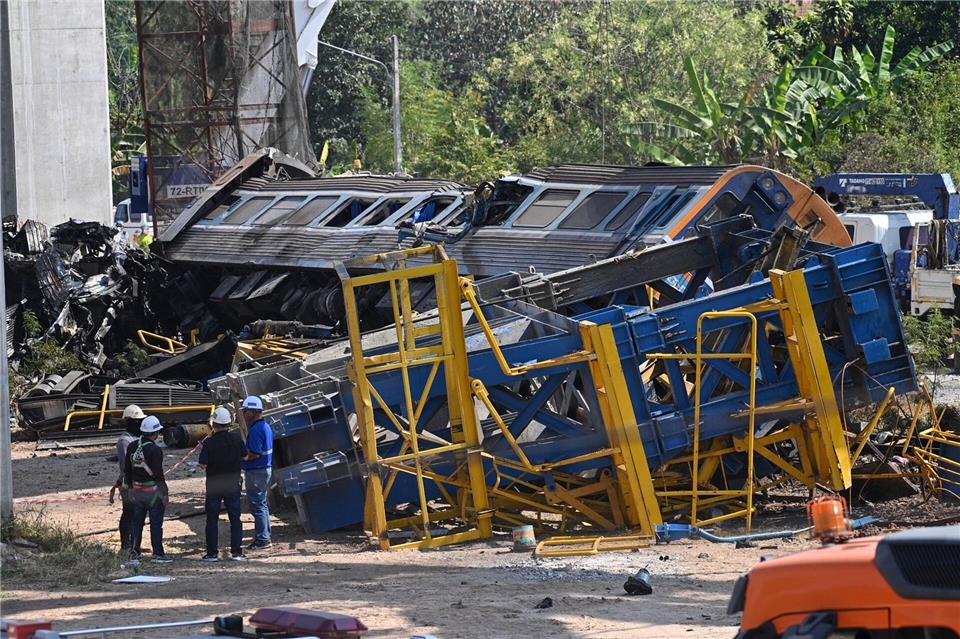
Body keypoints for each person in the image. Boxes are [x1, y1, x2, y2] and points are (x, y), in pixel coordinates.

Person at [199, 407, 248, 562]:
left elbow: (203, 464)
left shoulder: (209, 443)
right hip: (232, 483)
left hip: (214, 484)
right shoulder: (236, 439)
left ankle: (212, 553)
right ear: (229, 423)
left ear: (213, 423)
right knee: (235, 518)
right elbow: (245, 457)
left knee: (212, 519)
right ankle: (237, 552)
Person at [124, 415, 172, 563]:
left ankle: (134, 552)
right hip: (153, 493)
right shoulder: (155, 450)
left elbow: (127, 470)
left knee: (136, 524)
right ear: (155, 433)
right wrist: (165, 493)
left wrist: (129, 488)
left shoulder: (132, 446)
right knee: (156, 524)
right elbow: (158, 475)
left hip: (137, 492)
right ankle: (158, 554)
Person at [110, 405, 144, 557]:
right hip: (129, 483)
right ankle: (126, 545)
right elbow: (126, 465)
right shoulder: (125, 441)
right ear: (130, 422)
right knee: (129, 513)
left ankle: (135, 544)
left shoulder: (139, 438)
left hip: (141, 482)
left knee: (138, 514)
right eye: (137, 421)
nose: (140, 424)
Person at [240, 396, 273, 549]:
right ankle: (265, 536)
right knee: (262, 505)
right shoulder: (265, 427)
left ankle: (262, 539)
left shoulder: (256, 430)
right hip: (263, 470)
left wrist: (242, 458)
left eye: (245, 411)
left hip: (256, 472)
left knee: (257, 506)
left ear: (253, 411)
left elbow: (255, 453)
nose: (244, 414)